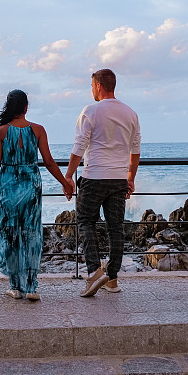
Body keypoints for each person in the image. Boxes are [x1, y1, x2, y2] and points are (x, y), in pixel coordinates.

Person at [0, 89, 74, 301]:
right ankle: (32, 287)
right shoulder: (38, 130)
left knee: (10, 234)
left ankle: (15, 287)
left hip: (8, 187)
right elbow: (49, 162)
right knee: (31, 234)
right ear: (26, 107)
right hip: (31, 185)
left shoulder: (0, 132)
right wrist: (65, 183)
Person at [65, 69, 141, 297]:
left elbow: (80, 146)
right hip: (118, 178)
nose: (92, 90)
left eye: (92, 86)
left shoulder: (91, 110)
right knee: (115, 227)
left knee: (85, 221)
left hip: (94, 176)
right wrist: (131, 177)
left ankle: (94, 271)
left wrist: (68, 176)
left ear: (98, 86)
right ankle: (113, 279)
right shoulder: (130, 113)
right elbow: (135, 150)